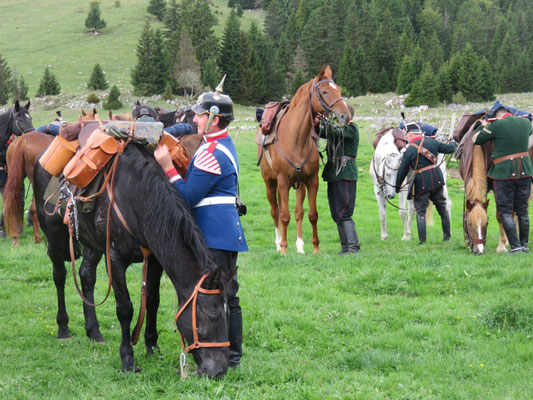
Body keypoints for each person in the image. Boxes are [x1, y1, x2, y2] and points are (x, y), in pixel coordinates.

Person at [154, 85, 247, 368]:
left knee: (221, 295)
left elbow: (188, 195)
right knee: (228, 294)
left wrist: (167, 166)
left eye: (200, 115)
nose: (195, 120)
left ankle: (229, 357)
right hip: (223, 231)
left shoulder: (211, 152)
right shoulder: (217, 146)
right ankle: (232, 355)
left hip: (214, 234)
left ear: (215, 119)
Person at [473, 106, 533, 253]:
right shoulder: (525, 123)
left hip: (503, 173)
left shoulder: (496, 125)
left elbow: (477, 140)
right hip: (525, 172)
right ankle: (524, 245)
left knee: (505, 211)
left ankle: (515, 246)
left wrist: (484, 126)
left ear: (496, 116)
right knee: (522, 211)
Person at [395, 125, 457, 245]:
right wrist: (453, 141)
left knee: (421, 211)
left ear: (410, 135)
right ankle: (447, 237)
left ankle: (422, 241)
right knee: (442, 208)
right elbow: (450, 149)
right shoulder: (432, 143)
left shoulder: (409, 151)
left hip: (421, 181)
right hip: (436, 178)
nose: (406, 137)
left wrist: (397, 187)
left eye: (407, 135)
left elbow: (402, 171)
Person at [318, 105, 360, 254]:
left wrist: (325, 121)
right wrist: (317, 122)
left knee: (345, 212)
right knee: (336, 213)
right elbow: (323, 132)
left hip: (345, 173)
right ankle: (345, 247)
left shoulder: (351, 128)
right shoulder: (337, 129)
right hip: (334, 174)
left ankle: (353, 247)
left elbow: (336, 132)